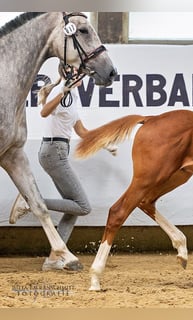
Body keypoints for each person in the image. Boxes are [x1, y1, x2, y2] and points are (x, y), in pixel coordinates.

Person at [9, 64, 117, 271]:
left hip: (57, 151)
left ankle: (53, 259)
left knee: (73, 209)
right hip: (53, 152)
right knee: (83, 206)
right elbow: (44, 112)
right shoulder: (62, 93)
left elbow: (83, 132)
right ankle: (30, 200)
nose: (80, 76)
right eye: (77, 73)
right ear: (66, 74)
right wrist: (63, 91)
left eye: (81, 74)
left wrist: (105, 143)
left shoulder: (72, 98)